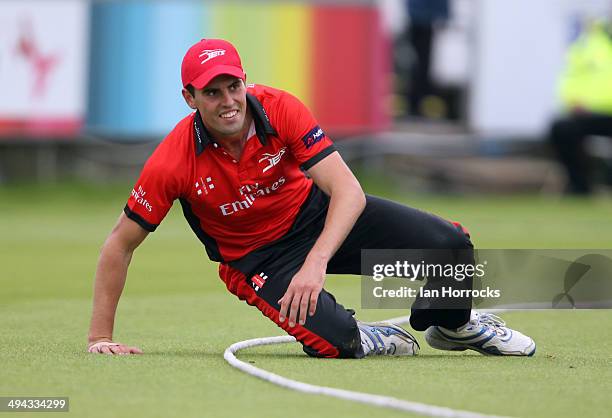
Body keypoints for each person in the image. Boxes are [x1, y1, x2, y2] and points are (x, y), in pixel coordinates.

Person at [87, 38, 535, 358]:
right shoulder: (172, 161)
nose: (228, 101)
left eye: (234, 86)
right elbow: (120, 244)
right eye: (211, 92)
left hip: (317, 217)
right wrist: (99, 338)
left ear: (245, 82)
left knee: (450, 245)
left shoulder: (280, 107)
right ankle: (359, 336)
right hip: (257, 259)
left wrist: (316, 262)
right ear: (189, 98)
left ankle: (454, 327)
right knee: (333, 342)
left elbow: (347, 191)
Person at [549, 20, 612, 195]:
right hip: (592, 113)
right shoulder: (589, 42)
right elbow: (569, 76)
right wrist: (573, 101)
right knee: (562, 128)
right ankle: (580, 187)